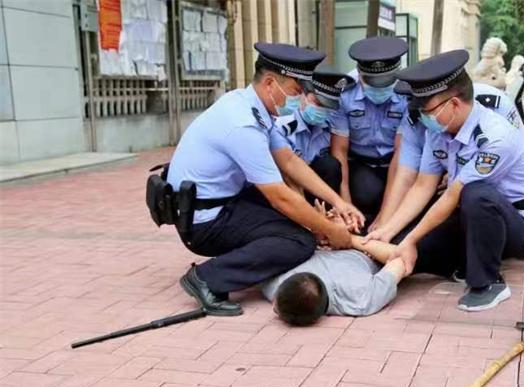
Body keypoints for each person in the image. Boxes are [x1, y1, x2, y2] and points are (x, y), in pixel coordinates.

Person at [166, 43, 363, 316]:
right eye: (296, 91)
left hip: (219, 203)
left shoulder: (250, 105)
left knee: (297, 224)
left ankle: (241, 261)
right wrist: (330, 231)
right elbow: (280, 196)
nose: (298, 98)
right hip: (205, 221)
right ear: (271, 83)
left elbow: (289, 161)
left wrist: (338, 202)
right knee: (299, 242)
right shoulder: (243, 124)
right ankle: (207, 278)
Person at [374, 50, 524, 312]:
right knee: (402, 248)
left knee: (475, 193)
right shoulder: (438, 132)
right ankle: (462, 259)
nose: (424, 117)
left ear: (454, 104)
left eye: (428, 110)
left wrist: (410, 239)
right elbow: (423, 186)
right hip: (465, 217)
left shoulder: (495, 136)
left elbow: (453, 195)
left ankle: (488, 282)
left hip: (511, 225)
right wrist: (388, 231)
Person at [369, 79, 524, 232]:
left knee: (475, 194)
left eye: (427, 107)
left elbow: (517, 151)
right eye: (417, 105)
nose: (421, 113)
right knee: (410, 236)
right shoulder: (427, 124)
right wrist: (385, 226)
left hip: (501, 205)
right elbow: (411, 179)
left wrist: (457, 179)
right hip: (454, 194)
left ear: (452, 103)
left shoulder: (494, 105)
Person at [261, 203, 406, 323]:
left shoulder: (274, 282)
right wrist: (347, 238)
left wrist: (320, 230)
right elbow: (402, 258)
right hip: (367, 247)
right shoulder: (362, 299)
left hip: (324, 239)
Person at [329, 36, 409, 222]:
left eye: (386, 82)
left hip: (399, 161)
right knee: (368, 194)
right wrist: (346, 206)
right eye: (372, 82)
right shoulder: (344, 93)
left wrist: (385, 216)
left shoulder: (407, 93)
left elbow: (402, 151)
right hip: (361, 163)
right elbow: (339, 150)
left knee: (402, 201)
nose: (379, 88)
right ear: (360, 74)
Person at [275, 67, 355, 203]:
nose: (322, 110)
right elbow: (285, 174)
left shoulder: (326, 127)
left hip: (311, 184)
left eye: (327, 106)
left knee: (331, 166)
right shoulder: (284, 126)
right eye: (318, 103)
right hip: (282, 187)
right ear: (303, 94)